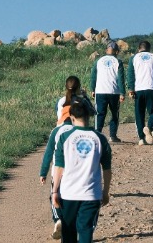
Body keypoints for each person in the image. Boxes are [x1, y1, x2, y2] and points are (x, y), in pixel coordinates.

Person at [51, 98, 112, 243]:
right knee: (85, 231)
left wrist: (54, 191)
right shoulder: (100, 139)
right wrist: (105, 192)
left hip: (68, 193)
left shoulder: (65, 137)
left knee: (68, 232)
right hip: (91, 194)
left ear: (71, 117)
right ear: (89, 116)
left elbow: (59, 167)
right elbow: (107, 169)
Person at [40, 113, 77, 239]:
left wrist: (43, 172)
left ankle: (58, 219)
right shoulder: (77, 130)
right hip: (73, 171)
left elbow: (48, 153)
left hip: (57, 171)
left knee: (54, 197)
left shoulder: (56, 131)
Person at [127, 40, 153, 145]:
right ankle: (149, 127)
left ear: (139, 49)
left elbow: (130, 75)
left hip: (138, 89)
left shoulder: (133, 58)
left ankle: (141, 139)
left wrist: (130, 89)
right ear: (149, 48)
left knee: (139, 114)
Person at [90, 41, 126, 143]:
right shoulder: (118, 62)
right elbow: (120, 79)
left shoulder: (98, 61)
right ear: (117, 51)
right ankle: (113, 136)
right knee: (114, 114)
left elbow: (93, 76)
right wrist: (122, 93)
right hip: (114, 91)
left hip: (100, 91)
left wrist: (93, 89)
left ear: (106, 50)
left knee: (100, 114)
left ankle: (97, 135)